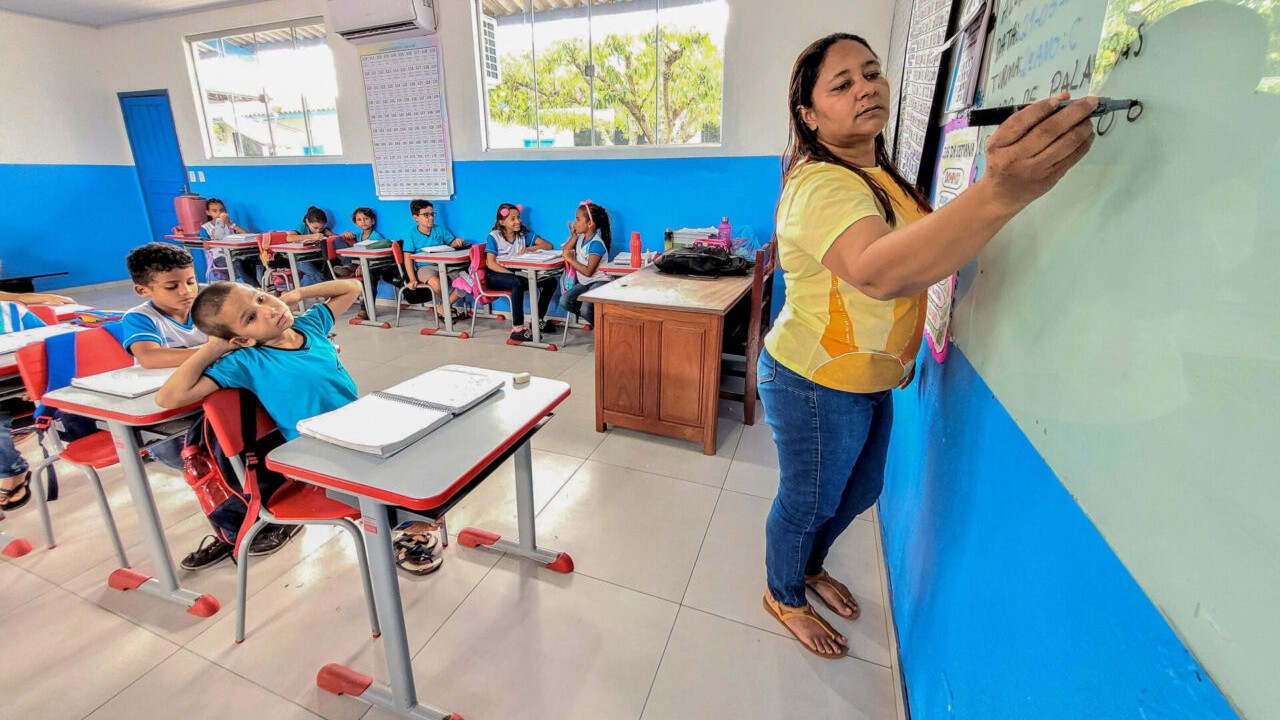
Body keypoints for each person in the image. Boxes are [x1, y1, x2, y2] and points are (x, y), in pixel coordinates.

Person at [759, 33, 1096, 658]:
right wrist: (1001, 191)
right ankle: (783, 592)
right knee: (808, 501)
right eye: (842, 84)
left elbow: (920, 259)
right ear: (809, 115)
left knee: (859, 492)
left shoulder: (878, 173)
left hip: (866, 380)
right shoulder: (819, 186)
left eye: (872, 73)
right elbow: (879, 272)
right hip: (812, 380)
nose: (866, 87)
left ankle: (807, 568)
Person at [156, 278, 443, 575]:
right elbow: (169, 397)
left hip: (359, 429)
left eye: (261, 298)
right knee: (403, 475)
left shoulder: (309, 326)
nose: (267, 309)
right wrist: (214, 348)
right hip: (315, 452)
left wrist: (297, 294)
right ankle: (406, 530)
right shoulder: (247, 361)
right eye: (250, 317)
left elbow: (352, 288)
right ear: (241, 339)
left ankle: (410, 517)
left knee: (427, 441)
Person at [120, 243, 298, 569]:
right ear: (142, 289)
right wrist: (218, 350)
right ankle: (236, 527)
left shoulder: (206, 301)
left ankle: (255, 518)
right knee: (210, 467)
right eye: (172, 286)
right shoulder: (139, 318)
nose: (186, 291)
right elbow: (150, 357)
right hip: (183, 404)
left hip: (225, 396)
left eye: (190, 280)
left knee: (241, 459)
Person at [0, 290, 97, 511]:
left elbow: (52, 349)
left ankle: (12, 472)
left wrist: (37, 384)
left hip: (24, 394)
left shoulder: (14, 312)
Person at [484, 202, 558, 343]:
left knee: (550, 281)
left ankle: (537, 320)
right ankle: (517, 329)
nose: (517, 221)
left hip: (518, 272)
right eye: (512, 219)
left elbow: (547, 245)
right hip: (496, 274)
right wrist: (511, 275)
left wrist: (529, 249)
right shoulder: (494, 236)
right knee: (517, 282)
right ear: (502, 222)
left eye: (518, 217)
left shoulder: (523, 233)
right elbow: (491, 263)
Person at [401, 199, 468, 324]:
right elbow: (407, 258)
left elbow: (451, 242)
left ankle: (443, 307)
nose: (431, 218)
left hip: (446, 266)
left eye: (432, 214)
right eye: (426, 215)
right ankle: (446, 307)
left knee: (466, 282)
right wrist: (412, 279)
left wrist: (457, 241)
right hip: (425, 268)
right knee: (436, 283)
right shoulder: (411, 234)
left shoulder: (440, 229)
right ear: (416, 217)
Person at [559, 201, 613, 326]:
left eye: (578, 219)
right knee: (564, 301)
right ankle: (596, 321)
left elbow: (589, 272)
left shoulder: (596, 244)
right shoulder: (580, 238)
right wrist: (573, 237)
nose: (574, 223)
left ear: (589, 224)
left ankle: (604, 328)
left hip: (600, 282)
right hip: (585, 283)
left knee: (585, 309)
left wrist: (571, 259)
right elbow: (565, 251)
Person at [200, 198, 253, 284]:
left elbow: (247, 234)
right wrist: (214, 239)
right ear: (208, 212)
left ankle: (260, 285)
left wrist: (230, 224)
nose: (219, 213)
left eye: (221, 210)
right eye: (214, 211)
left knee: (253, 260)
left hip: (234, 254)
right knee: (237, 263)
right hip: (218, 258)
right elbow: (206, 246)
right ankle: (254, 287)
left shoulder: (229, 224)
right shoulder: (205, 227)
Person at [348, 207, 388, 320]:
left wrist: (362, 265)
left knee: (368, 276)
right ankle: (350, 267)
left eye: (366, 218)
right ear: (355, 223)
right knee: (339, 240)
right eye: (359, 219)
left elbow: (374, 256)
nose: (363, 222)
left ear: (373, 221)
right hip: (363, 263)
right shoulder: (359, 236)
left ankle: (365, 309)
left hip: (376, 265)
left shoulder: (375, 236)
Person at [286, 206, 339, 287]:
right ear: (307, 221)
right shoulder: (303, 226)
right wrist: (311, 236)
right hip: (299, 259)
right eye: (315, 228)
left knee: (315, 277)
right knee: (318, 276)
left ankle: (294, 290)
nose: (318, 230)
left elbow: (335, 238)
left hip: (314, 258)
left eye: (321, 228)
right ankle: (329, 293)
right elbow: (289, 238)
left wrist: (330, 234)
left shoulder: (324, 229)